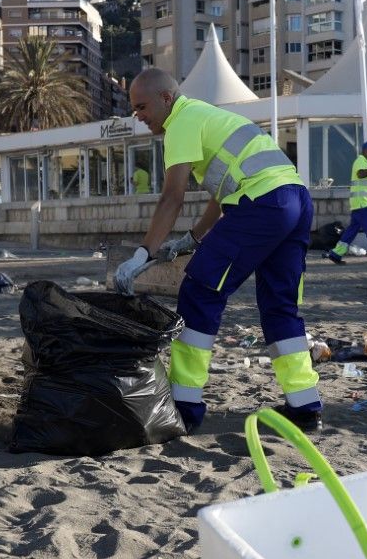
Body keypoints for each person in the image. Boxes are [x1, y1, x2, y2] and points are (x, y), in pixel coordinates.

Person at [114, 68, 321, 432]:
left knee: (199, 289)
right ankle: (305, 406)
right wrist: (193, 239)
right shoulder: (206, 116)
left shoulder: (181, 123)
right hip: (295, 200)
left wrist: (143, 253)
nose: (139, 116)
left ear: (166, 98)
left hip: (262, 204)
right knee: (280, 304)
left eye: (142, 106)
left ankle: (185, 406)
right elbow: (221, 194)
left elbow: (172, 197)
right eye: (134, 110)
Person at [326, 139, 367, 265]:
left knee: (351, 231)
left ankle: (336, 254)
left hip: (359, 203)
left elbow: (361, 186)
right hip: (361, 204)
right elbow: (360, 174)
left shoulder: (364, 162)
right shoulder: (360, 161)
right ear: (366, 151)